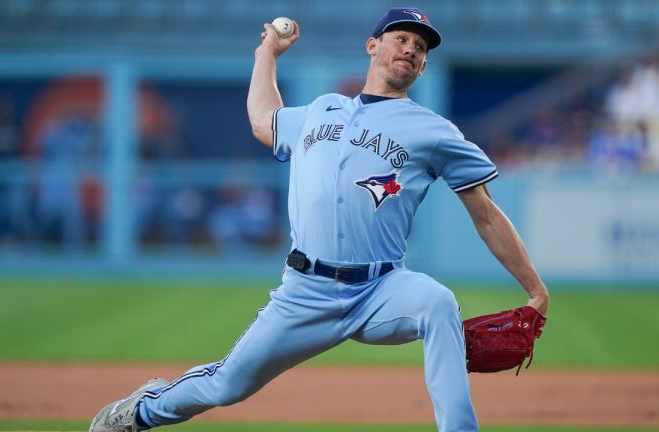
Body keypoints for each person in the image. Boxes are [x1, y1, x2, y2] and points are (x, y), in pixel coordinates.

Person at [89, 7, 549, 432]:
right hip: (305, 292)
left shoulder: (435, 131)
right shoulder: (323, 109)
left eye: (421, 47)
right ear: (373, 46)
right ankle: (142, 411)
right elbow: (263, 119)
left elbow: (486, 214)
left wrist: (534, 289)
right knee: (226, 385)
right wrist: (266, 54)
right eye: (402, 37)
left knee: (438, 304)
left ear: (424, 67)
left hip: (381, 289)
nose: (411, 48)